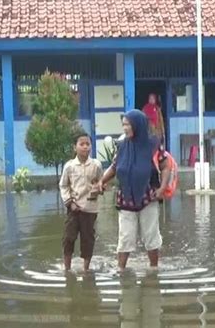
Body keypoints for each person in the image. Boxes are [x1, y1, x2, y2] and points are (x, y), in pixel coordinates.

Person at [98, 109, 171, 270]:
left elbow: (166, 166)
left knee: (151, 235)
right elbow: (115, 166)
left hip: (148, 197)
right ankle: (121, 271)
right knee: (125, 237)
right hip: (126, 198)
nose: (125, 128)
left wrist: (163, 187)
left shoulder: (153, 145)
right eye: (123, 125)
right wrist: (102, 180)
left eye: (128, 125)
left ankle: (153, 270)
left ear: (138, 125)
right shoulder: (123, 146)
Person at [59, 133, 103, 271]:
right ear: (75, 147)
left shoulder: (96, 165)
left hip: (90, 209)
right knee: (68, 238)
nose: (85, 147)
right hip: (74, 208)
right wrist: (69, 202)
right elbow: (63, 185)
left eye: (88, 144)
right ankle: (67, 268)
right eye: (81, 144)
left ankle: (86, 269)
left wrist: (100, 188)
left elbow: (101, 182)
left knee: (88, 240)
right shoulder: (70, 166)